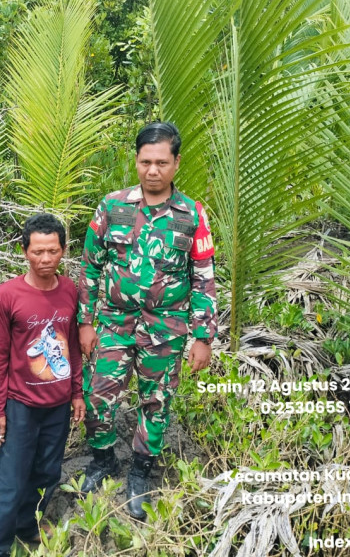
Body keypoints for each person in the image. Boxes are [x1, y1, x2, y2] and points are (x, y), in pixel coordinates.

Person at [77, 121, 218, 520]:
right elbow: (90, 266)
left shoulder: (191, 214)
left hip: (165, 327)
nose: (152, 170)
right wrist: (85, 322)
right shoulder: (112, 206)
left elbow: (204, 277)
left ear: (176, 164)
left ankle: (140, 473)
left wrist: (203, 336)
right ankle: (102, 460)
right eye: (145, 162)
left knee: (156, 401)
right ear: (136, 161)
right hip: (113, 323)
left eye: (161, 162)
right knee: (98, 395)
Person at [0, 213, 86, 557]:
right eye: (38, 251)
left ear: (64, 251)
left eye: (53, 252)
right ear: (24, 251)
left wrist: (76, 392)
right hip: (20, 407)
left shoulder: (69, 290)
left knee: (46, 473)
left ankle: (28, 527)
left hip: (57, 406)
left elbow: (71, 345)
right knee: (11, 482)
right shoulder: (7, 296)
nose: (45, 259)